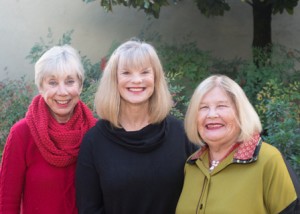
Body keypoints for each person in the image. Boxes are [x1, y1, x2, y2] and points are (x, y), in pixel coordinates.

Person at [75, 39, 197, 214]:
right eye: (126, 72)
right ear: (114, 80)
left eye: (145, 72)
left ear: (155, 78)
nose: (137, 80)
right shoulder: (95, 141)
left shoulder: (182, 134)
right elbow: (89, 208)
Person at [176, 74, 300, 214]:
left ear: (240, 113)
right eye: (203, 107)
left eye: (221, 106)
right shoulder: (192, 165)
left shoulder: (268, 160)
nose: (211, 114)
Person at [0, 45, 97, 214]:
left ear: (80, 86)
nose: (62, 92)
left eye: (70, 81)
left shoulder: (95, 133)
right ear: (41, 87)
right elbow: (6, 202)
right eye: (52, 82)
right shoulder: (22, 134)